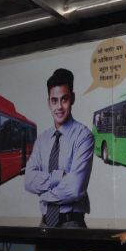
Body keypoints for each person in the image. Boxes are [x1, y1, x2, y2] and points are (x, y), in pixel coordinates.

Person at [25, 68, 93, 228]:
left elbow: (75, 188)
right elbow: (28, 181)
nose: (59, 107)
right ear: (48, 102)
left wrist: (44, 195)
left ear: (73, 98)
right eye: (54, 100)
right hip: (44, 224)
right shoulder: (42, 140)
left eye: (64, 99)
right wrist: (59, 177)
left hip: (72, 224)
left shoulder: (83, 136)